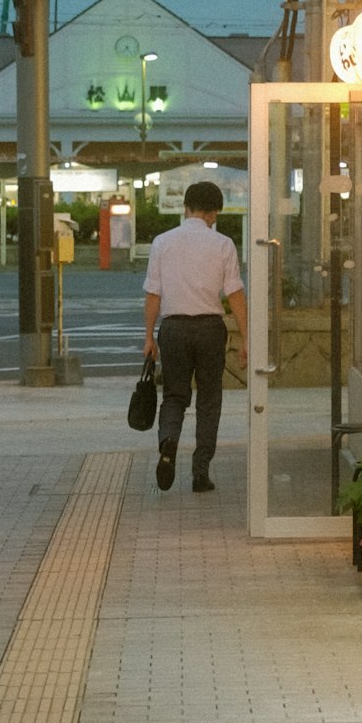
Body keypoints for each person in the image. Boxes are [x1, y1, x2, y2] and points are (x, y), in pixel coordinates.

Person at [143, 180, 248, 493]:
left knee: (175, 396)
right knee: (209, 400)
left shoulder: (162, 242)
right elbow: (236, 294)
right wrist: (247, 337)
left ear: (185, 206)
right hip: (209, 329)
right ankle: (200, 472)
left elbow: (153, 295)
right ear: (212, 213)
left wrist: (149, 337)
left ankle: (169, 441)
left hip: (173, 328)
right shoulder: (223, 244)